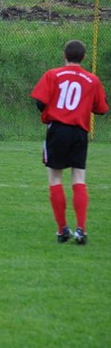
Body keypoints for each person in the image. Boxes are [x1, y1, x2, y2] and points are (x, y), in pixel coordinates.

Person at [30, 40, 108, 245]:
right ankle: (81, 230)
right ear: (84, 57)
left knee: (55, 178)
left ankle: (62, 229)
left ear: (64, 55)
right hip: (80, 132)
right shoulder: (92, 79)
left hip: (57, 130)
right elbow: (101, 109)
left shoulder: (52, 74)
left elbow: (40, 102)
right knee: (79, 178)